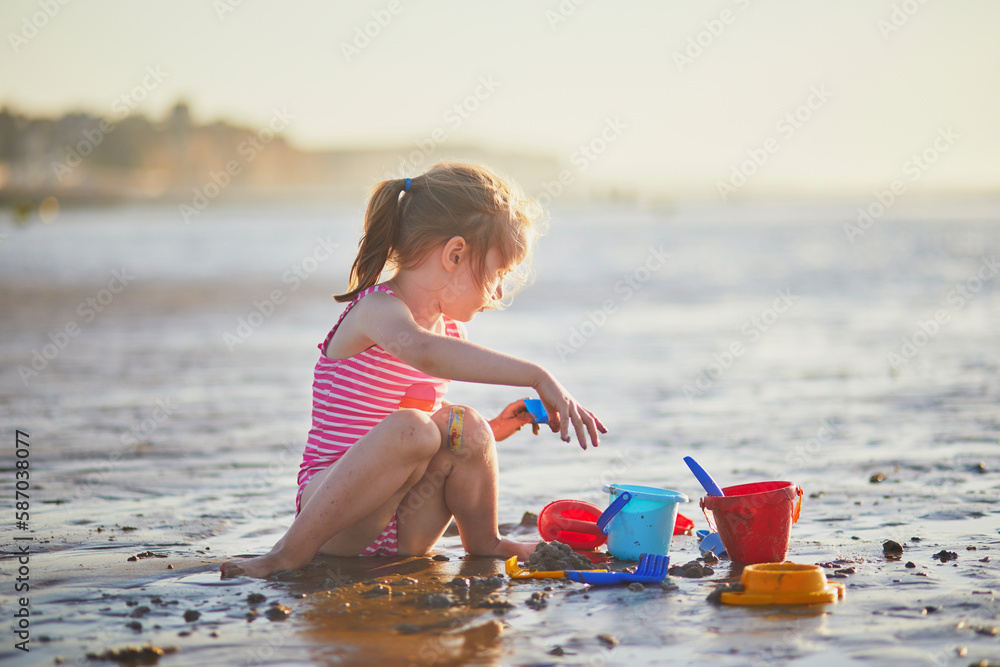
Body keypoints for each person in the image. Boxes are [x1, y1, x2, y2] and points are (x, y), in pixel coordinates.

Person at [221, 162, 605, 578]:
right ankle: (286, 554)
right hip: (335, 521)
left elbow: (428, 443)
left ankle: (485, 543)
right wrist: (537, 375)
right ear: (455, 254)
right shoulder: (378, 309)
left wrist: (491, 431)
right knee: (416, 428)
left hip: (408, 526)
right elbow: (422, 356)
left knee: (464, 423)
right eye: (497, 275)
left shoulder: (448, 332)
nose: (497, 294)